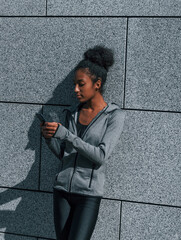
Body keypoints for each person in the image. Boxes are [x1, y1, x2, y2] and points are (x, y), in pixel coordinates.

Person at [40, 45, 126, 240]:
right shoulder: (72, 112)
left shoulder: (114, 116)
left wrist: (68, 136)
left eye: (81, 84)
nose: (75, 90)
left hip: (88, 195)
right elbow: (64, 154)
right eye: (74, 84)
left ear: (97, 84)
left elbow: (101, 156)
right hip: (62, 190)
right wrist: (49, 138)